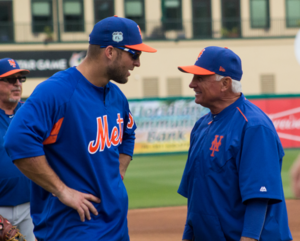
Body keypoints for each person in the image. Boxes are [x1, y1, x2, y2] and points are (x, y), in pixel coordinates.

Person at [4, 16, 157, 241]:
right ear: (110, 52)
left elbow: (128, 134)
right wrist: (62, 191)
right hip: (72, 229)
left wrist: (117, 174)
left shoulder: (116, 96)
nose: (137, 63)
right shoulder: (56, 92)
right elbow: (17, 141)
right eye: (134, 54)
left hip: (116, 227)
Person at [177, 46, 292, 241]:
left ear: (225, 83)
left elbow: (258, 197)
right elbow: (195, 200)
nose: (191, 84)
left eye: (200, 78)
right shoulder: (201, 126)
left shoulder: (254, 126)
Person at [0, 58, 35, 241]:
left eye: (20, 79)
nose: (17, 84)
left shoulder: (30, 114)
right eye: (10, 79)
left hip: (32, 205)